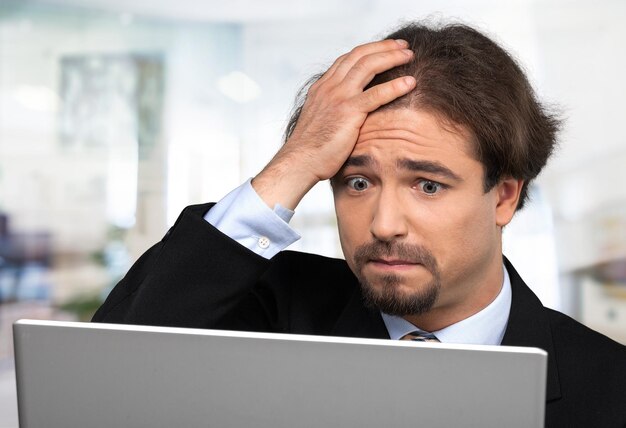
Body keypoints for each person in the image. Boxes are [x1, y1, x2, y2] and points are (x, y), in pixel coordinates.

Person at [93, 22, 626, 427]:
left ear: (503, 197)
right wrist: (294, 162)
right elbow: (99, 386)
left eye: (428, 184)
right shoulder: (265, 309)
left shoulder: (609, 385)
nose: (384, 224)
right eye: (358, 183)